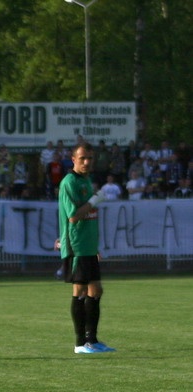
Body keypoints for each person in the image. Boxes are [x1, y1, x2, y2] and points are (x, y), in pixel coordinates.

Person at [57, 142, 116, 355]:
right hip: (77, 246)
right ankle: (80, 343)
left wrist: (94, 246)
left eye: (89, 158)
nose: (86, 162)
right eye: (82, 158)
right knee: (80, 290)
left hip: (88, 246)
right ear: (73, 159)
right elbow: (73, 216)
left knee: (96, 290)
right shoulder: (69, 182)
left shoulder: (86, 180)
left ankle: (92, 340)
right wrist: (94, 200)